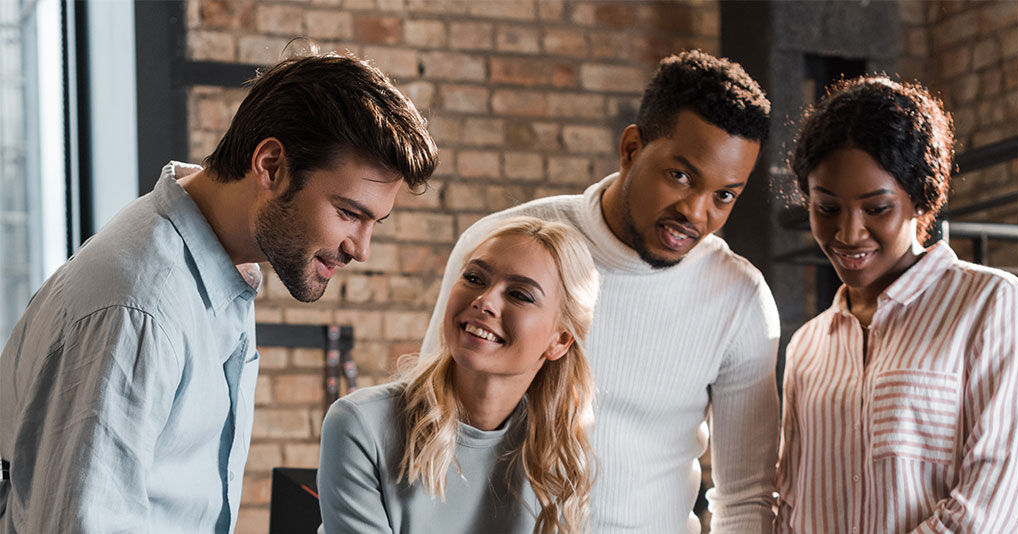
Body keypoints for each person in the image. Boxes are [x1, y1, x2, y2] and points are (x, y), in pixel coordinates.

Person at [0, 53, 437, 533]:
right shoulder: (141, 307)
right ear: (270, 166)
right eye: (349, 212)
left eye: (375, 222)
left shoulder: (218, 268)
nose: (361, 249)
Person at [422, 50, 780, 533]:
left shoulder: (739, 298)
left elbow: (746, 500)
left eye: (724, 195)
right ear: (631, 148)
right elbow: (430, 424)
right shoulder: (501, 247)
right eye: (680, 176)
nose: (697, 213)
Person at [776, 76, 1018, 533]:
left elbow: (994, 500)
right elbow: (792, 506)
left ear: (921, 199)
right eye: (827, 208)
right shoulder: (806, 348)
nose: (849, 234)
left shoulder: (992, 306)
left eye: (876, 209)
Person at [318, 216, 598, 534]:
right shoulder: (361, 423)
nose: (484, 301)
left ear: (560, 340)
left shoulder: (559, 450)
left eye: (520, 295)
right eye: (475, 278)